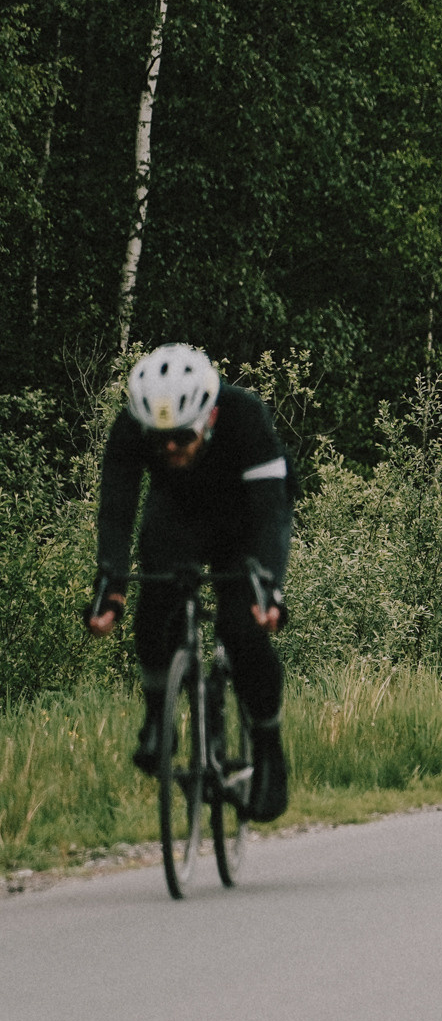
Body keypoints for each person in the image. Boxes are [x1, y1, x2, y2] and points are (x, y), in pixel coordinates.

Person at [88, 345, 294, 821]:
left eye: (181, 437)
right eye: (159, 441)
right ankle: (160, 717)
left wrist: (269, 589)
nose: (171, 449)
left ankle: (268, 749)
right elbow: (116, 513)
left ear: (210, 415)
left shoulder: (246, 417)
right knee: (156, 599)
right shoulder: (131, 427)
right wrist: (110, 586)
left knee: (243, 630)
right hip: (178, 514)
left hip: (245, 518)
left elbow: (271, 515)